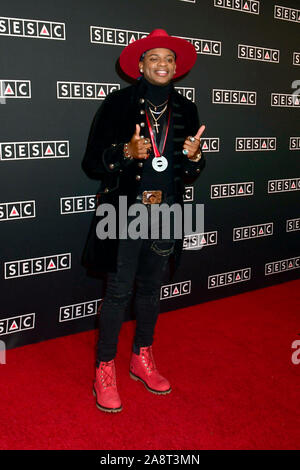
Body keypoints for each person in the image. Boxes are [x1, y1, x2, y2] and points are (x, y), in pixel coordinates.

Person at [81, 29, 206, 413]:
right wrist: (123, 151)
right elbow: (91, 162)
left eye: (169, 59)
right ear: (141, 65)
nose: (163, 64)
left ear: (177, 67)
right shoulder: (118, 104)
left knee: (152, 289)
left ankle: (141, 357)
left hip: (166, 210)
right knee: (118, 292)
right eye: (154, 58)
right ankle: (105, 367)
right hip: (123, 212)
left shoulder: (186, 110)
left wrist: (194, 160)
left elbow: (188, 172)